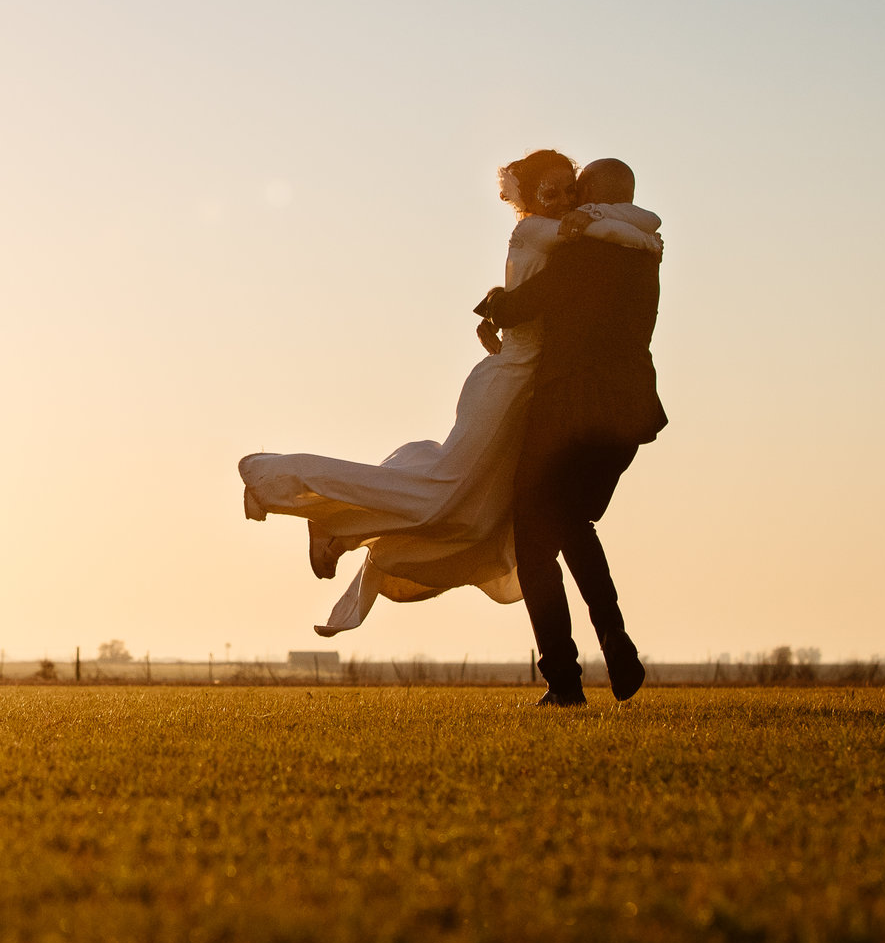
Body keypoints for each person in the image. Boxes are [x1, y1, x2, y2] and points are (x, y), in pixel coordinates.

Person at [238, 151, 663, 639]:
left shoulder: (575, 240)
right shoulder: (544, 232)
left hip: (531, 393)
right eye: (555, 192)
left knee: (477, 519)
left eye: (572, 190)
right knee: (443, 494)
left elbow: (541, 298)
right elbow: (579, 250)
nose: (569, 202)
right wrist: (644, 232)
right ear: (528, 200)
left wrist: (501, 308)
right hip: (508, 385)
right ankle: (281, 479)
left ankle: (341, 527)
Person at [475, 157, 666, 707]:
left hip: (567, 412)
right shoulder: (644, 255)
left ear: (594, 196)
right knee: (571, 521)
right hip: (627, 417)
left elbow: (528, 302)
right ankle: (617, 644)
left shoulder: (585, 250)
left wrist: (492, 306)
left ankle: (564, 679)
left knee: (534, 540)